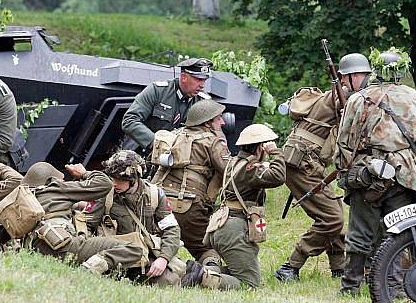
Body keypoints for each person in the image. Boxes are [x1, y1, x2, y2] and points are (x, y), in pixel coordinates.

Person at [334, 48, 416, 295]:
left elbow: (344, 141)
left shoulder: (357, 99)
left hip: (366, 174)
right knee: (399, 231)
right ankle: (391, 286)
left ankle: (350, 287)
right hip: (403, 173)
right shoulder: (410, 96)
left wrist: (344, 172)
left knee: (360, 232)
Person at [275, 53, 372, 282]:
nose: (364, 79)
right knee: (332, 219)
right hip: (301, 164)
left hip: (307, 163)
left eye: (365, 74)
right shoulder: (343, 97)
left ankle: (338, 267)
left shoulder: (343, 97)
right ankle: (290, 266)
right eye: (358, 75)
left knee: (333, 211)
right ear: (344, 78)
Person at [182, 124, 285, 290]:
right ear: (261, 147)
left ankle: (201, 271)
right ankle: (202, 276)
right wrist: (276, 152)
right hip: (234, 230)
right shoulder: (250, 169)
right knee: (248, 284)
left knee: (237, 271)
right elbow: (278, 176)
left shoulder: (233, 163)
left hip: (221, 226)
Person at [20, 162, 145, 276]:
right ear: (51, 180)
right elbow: (105, 183)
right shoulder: (57, 188)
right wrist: (84, 173)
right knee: (134, 249)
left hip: (36, 247)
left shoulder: (26, 197)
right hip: (64, 248)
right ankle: (86, 269)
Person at [86, 150, 183, 286]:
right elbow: (86, 225)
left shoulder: (155, 195)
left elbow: (171, 229)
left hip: (142, 257)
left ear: (134, 180)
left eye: (120, 179)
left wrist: (163, 258)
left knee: (169, 281)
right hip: (111, 254)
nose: (114, 183)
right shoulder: (105, 194)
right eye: (112, 178)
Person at [150, 99, 229, 267]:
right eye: (218, 118)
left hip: (158, 203)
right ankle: (209, 274)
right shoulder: (213, 142)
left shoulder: (175, 135)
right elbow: (229, 171)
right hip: (189, 207)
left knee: (154, 240)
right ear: (207, 123)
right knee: (203, 247)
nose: (222, 122)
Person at [121, 58, 213, 152]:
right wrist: (157, 143)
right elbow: (129, 120)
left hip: (179, 159)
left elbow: (211, 135)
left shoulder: (203, 102)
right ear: (184, 77)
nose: (202, 85)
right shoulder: (158, 91)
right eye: (198, 79)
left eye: (204, 80)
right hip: (142, 152)